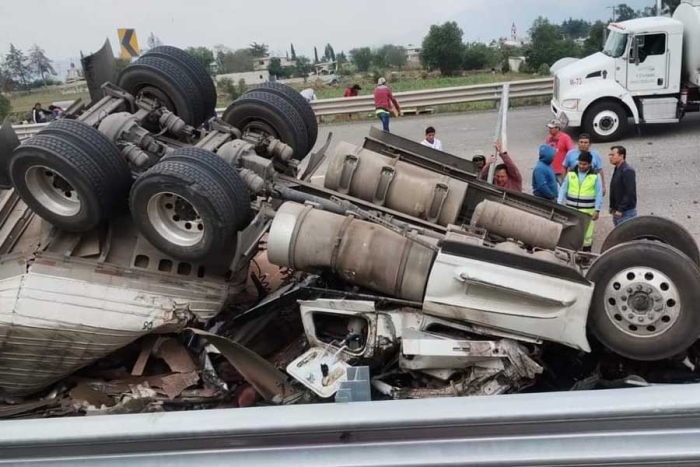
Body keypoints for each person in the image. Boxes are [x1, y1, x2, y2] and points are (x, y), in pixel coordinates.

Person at [557, 151, 603, 251]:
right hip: (571, 210)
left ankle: (586, 255)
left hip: (587, 212)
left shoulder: (595, 176)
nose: (581, 166)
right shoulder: (571, 173)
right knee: (571, 233)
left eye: (584, 164)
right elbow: (563, 189)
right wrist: (559, 204)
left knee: (587, 235)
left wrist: (597, 210)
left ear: (590, 164)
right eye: (580, 163)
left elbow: (599, 193)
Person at [608, 145, 637, 226]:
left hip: (626, 213)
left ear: (621, 156)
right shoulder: (617, 169)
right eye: (609, 155)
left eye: (613, 155)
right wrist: (612, 207)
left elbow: (629, 192)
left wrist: (621, 209)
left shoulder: (627, 171)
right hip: (617, 211)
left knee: (625, 236)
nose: (610, 157)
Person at [545, 119, 574, 184]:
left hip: (561, 171)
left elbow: (571, 153)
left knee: (563, 188)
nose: (549, 129)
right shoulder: (548, 138)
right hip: (550, 170)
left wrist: (569, 167)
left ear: (558, 128)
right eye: (549, 128)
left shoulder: (565, 138)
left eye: (551, 128)